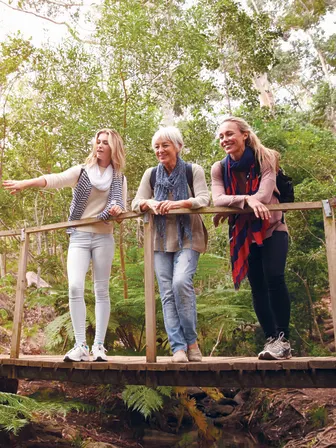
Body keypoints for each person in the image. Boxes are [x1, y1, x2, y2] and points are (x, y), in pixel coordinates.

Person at [3, 128, 127, 362]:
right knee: (75, 287)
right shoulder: (82, 172)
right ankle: (80, 345)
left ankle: (99, 346)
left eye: (105, 143)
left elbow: (121, 211)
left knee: (101, 290)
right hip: (79, 236)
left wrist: (118, 212)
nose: (100, 145)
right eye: (98, 142)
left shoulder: (119, 178)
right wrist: (25, 183)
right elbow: (54, 179)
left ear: (114, 147)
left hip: (104, 237)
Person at [211, 117, 292, 360]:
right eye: (221, 136)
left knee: (275, 277)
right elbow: (218, 199)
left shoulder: (265, 157)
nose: (225, 140)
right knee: (257, 286)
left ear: (245, 135)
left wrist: (245, 199)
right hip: (244, 233)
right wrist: (247, 199)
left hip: (273, 227)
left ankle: (283, 339)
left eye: (230, 134)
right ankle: (270, 340)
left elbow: (265, 195)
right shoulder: (219, 168)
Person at [132, 126, 209, 363]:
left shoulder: (192, 170)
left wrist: (177, 204)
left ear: (178, 146)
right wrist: (150, 204)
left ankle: (192, 344)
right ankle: (178, 348)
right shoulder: (151, 174)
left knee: (180, 283)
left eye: (165, 145)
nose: (160, 150)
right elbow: (136, 203)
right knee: (166, 293)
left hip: (188, 235)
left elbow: (204, 199)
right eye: (156, 146)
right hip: (160, 239)